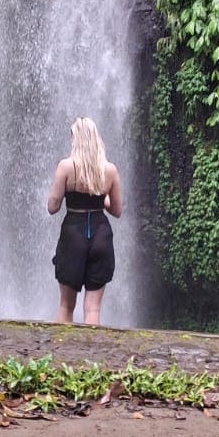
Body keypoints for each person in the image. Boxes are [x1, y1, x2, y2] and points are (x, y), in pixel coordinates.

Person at [47, 116, 123, 326]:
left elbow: (52, 207)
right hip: (100, 235)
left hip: (73, 234)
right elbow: (116, 210)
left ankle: (62, 353)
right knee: (92, 309)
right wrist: (103, 198)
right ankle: (92, 357)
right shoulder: (109, 170)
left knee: (65, 306)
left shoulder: (66, 166)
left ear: (76, 140)